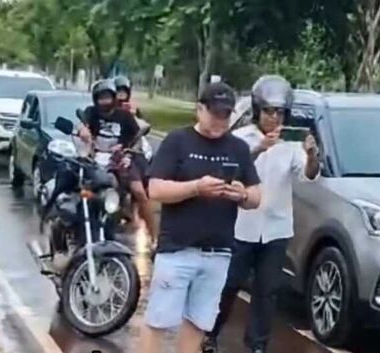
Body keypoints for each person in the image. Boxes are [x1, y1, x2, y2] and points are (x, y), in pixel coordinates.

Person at [139, 82, 262, 353]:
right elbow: (155, 189)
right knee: (159, 321)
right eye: (215, 114)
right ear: (199, 109)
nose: (220, 121)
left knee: (198, 323)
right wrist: (196, 187)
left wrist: (240, 194)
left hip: (218, 254)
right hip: (178, 250)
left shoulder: (238, 148)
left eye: (226, 115)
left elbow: (256, 197)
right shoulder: (178, 141)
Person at [201, 75, 319, 353]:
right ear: (257, 109)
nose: (274, 118)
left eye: (279, 112)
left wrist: (312, 156)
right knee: (228, 285)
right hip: (241, 227)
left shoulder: (291, 144)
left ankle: (257, 345)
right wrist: (259, 149)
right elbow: (231, 173)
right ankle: (209, 333)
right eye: (268, 111)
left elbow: (307, 175)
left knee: (267, 293)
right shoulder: (240, 139)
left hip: (276, 229)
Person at [78, 79, 158, 244]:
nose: (105, 101)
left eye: (108, 97)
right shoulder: (91, 113)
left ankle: (155, 236)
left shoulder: (126, 116)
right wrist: (84, 132)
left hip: (121, 159)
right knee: (79, 188)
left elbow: (136, 138)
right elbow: (82, 126)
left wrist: (126, 153)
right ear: (95, 99)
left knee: (138, 191)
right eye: (101, 98)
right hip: (96, 159)